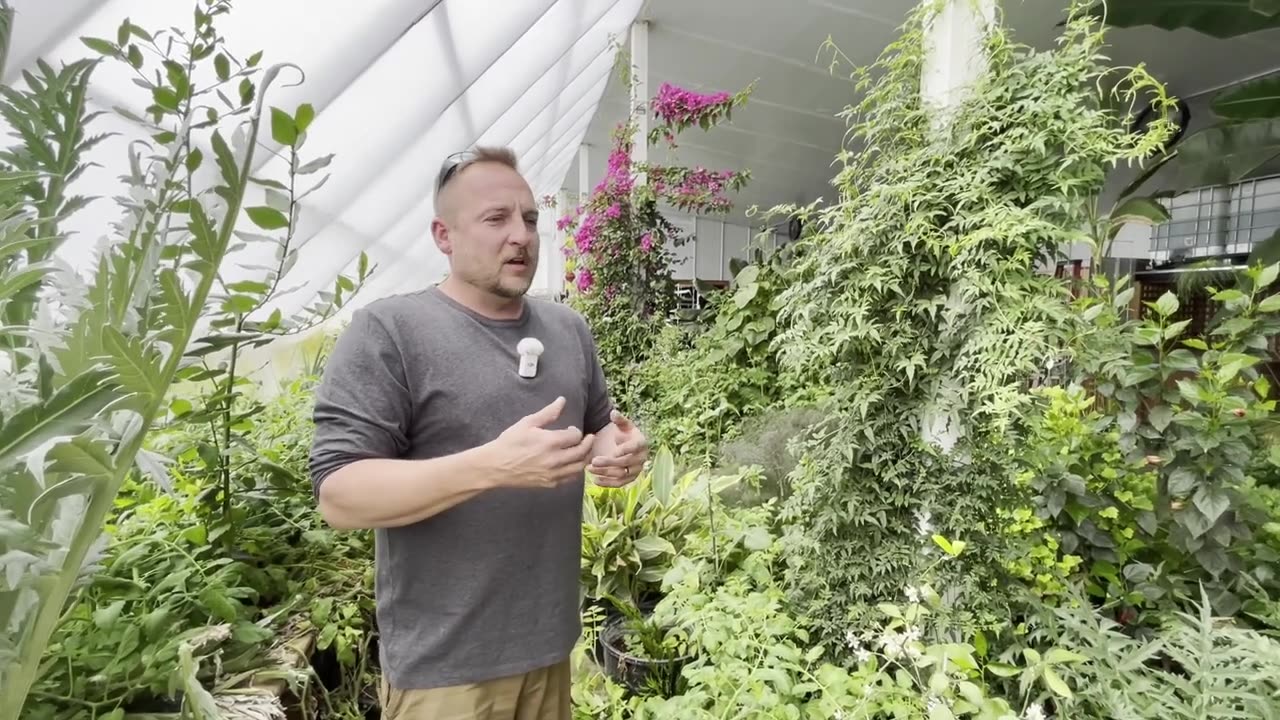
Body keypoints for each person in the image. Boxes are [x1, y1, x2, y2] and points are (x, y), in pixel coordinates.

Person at [308, 145, 649, 720]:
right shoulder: (391, 332)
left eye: (531, 219)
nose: (521, 235)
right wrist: (493, 466)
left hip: (547, 647)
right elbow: (339, 495)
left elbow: (598, 430)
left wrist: (621, 451)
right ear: (444, 235)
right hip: (447, 672)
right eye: (496, 219)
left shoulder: (569, 329)